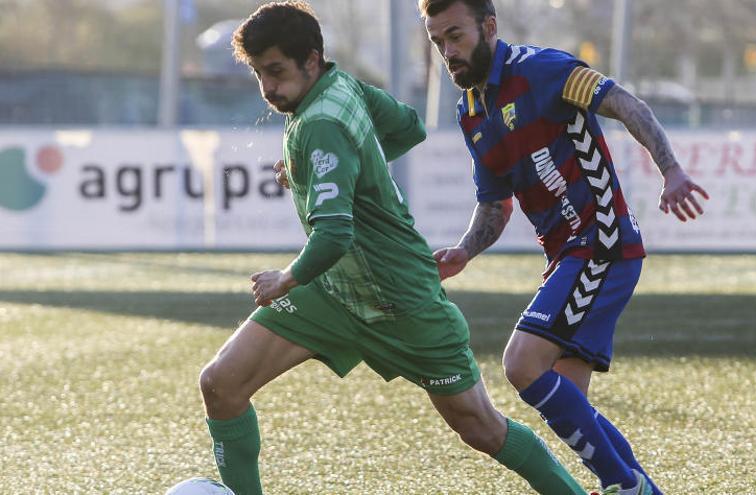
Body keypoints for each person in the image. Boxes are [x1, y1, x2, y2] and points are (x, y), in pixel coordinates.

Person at [198, 2, 590, 494]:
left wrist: (284, 279)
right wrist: (338, 167)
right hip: (338, 291)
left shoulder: (321, 122)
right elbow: (409, 127)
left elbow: (333, 236)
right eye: (259, 74)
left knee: (481, 429)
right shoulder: (345, 88)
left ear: (311, 60)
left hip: (401, 299)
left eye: (276, 72)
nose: (268, 89)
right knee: (221, 384)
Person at [420, 1, 710, 494]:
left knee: (521, 364)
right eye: (437, 42)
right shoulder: (472, 113)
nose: (448, 52)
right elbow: (494, 205)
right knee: (570, 397)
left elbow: (625, 104)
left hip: (602, 244)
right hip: (569, 257)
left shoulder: (542, 70)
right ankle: (642, 490)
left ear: (489, 27)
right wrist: (465, 250)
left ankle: (624, 486)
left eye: (456, 35)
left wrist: (671, 170)